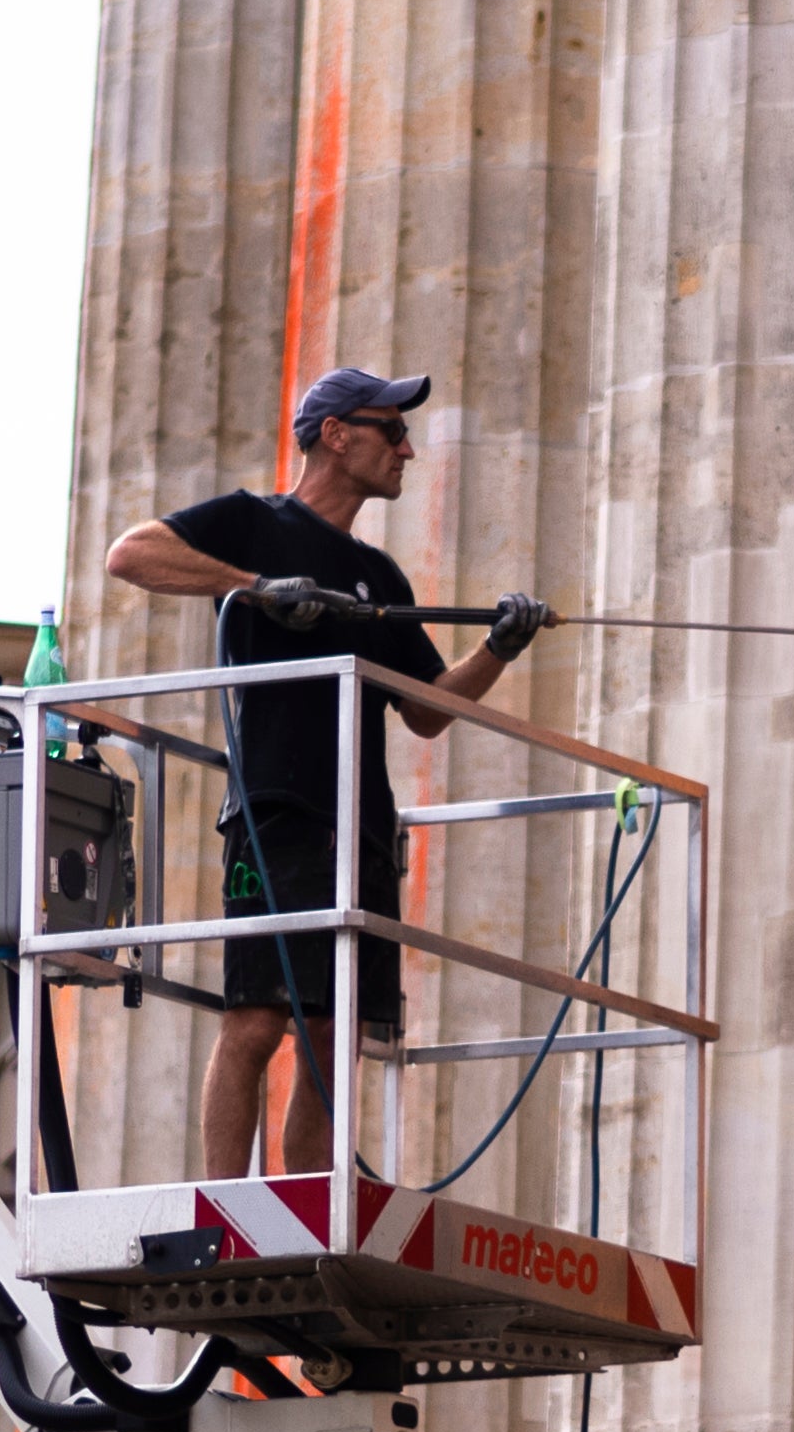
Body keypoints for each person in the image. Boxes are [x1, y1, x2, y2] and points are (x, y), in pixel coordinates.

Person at [103, 368, 553, 1178]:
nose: (408, 450)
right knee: (256, 1018)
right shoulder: (253, 521)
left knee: (331, 1034)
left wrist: (499, 646)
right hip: (277, 812)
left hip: (362, 827)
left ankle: (310, 1209)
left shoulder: (379, 579)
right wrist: (255, 589)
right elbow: (131, 554)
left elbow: (425, 709)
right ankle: (227, 1207)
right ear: (337, 434)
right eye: (392, 430)